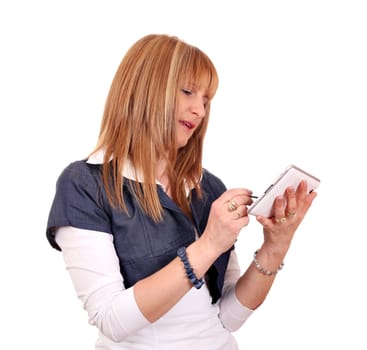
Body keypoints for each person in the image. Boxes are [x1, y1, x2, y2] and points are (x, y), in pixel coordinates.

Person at [46, 34, 317, 350]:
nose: (200, 111)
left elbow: (228, 318)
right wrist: (209, 244)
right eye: (188, 91)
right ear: (143, 90)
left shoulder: (208, 188)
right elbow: (111, 319)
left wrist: (277, 245)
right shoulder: (85, 184)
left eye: (205, 99)